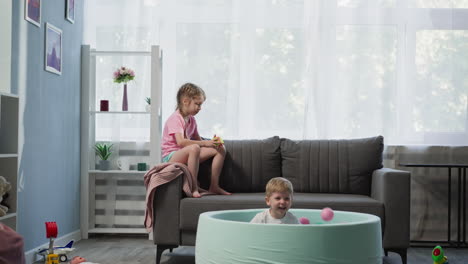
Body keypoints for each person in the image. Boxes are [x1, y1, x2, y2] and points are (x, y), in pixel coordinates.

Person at [161, 82, 231, 197]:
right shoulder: (175, 118)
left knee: (220, 148)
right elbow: (181, 142)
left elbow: (198, 139)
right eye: (197, 104)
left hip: (189, 153)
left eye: (201, 104)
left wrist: (212, 143)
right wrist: (204, 143)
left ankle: (214, 186)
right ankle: (192, 187)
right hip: (171, 156)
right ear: (185, 101)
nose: (200, 108)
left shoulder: (192, 120)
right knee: (194, 148)